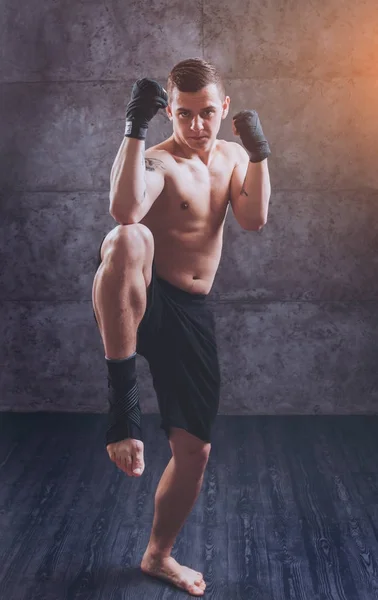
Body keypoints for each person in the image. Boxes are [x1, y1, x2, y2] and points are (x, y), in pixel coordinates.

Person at [92, 58, 271, 596]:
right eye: (184, 114)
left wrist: (261, 153)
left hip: (191, 313)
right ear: (170, 110)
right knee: (127, 238)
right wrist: (134, 128)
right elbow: (124, 208)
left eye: (207, 114)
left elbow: (254, 218)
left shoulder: (235, 157)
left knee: (195, 451)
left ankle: (157, 556)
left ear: (224, 109)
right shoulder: (156, 160)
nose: (195, 126)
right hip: (140, 297)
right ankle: (122, 411)